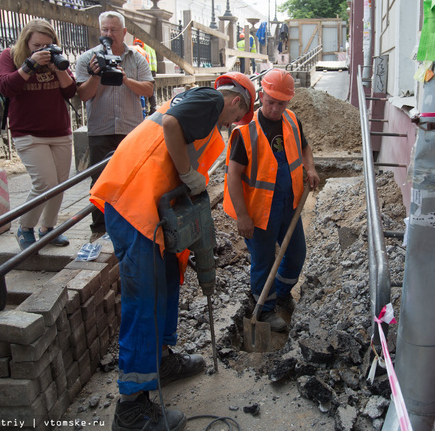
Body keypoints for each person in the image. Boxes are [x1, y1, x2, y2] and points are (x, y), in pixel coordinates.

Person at [90, 73, 255, 431]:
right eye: (235, 120)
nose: (230, 126)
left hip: (150, 208)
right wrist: (187, 173)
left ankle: (161, 359)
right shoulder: (211, 101)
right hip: (134, 207)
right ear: (236, 102)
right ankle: (132, 406)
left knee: (166, 284)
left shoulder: (201, 110)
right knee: (144, 302)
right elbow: (170, 124)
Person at [223, 69, 320, 332]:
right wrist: (243, 216)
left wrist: (310, 168)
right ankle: (265, 310)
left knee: (297, 253)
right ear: (261, 95)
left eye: (281, 103)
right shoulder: (245, 132)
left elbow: (305, 146)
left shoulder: (291, 120)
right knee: (263, 261)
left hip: (289, 204)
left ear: (289, 101)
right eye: (270, 101)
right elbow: (232, 176)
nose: (275, 108)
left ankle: (282, 292)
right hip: (259, 212)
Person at [0, 19, 77, 251]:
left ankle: (48, 230)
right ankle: (25, 227)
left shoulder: (55, 58)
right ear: (26, 42)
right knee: (45, 182)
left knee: (60, 184)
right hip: (28, 132)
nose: (42, 50)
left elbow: (70, 91)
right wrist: (29, 64)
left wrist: (58, 68)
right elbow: (6, 86)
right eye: (37, 46)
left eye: (47, 45)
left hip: (59, 130)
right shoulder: (10, 56)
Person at [77, 11, 154, 242]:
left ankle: (131, 224)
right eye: (104, 30)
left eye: (113, 30)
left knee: (132, 179)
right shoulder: (87, 58)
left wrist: (125, 80)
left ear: (124, 32)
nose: (108, 35)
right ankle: (100, 230)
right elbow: (82, 95)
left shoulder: (137, 58)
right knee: (100, 180)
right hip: (100, 129)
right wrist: (95, 75)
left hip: (130, 130)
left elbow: (149, 89)